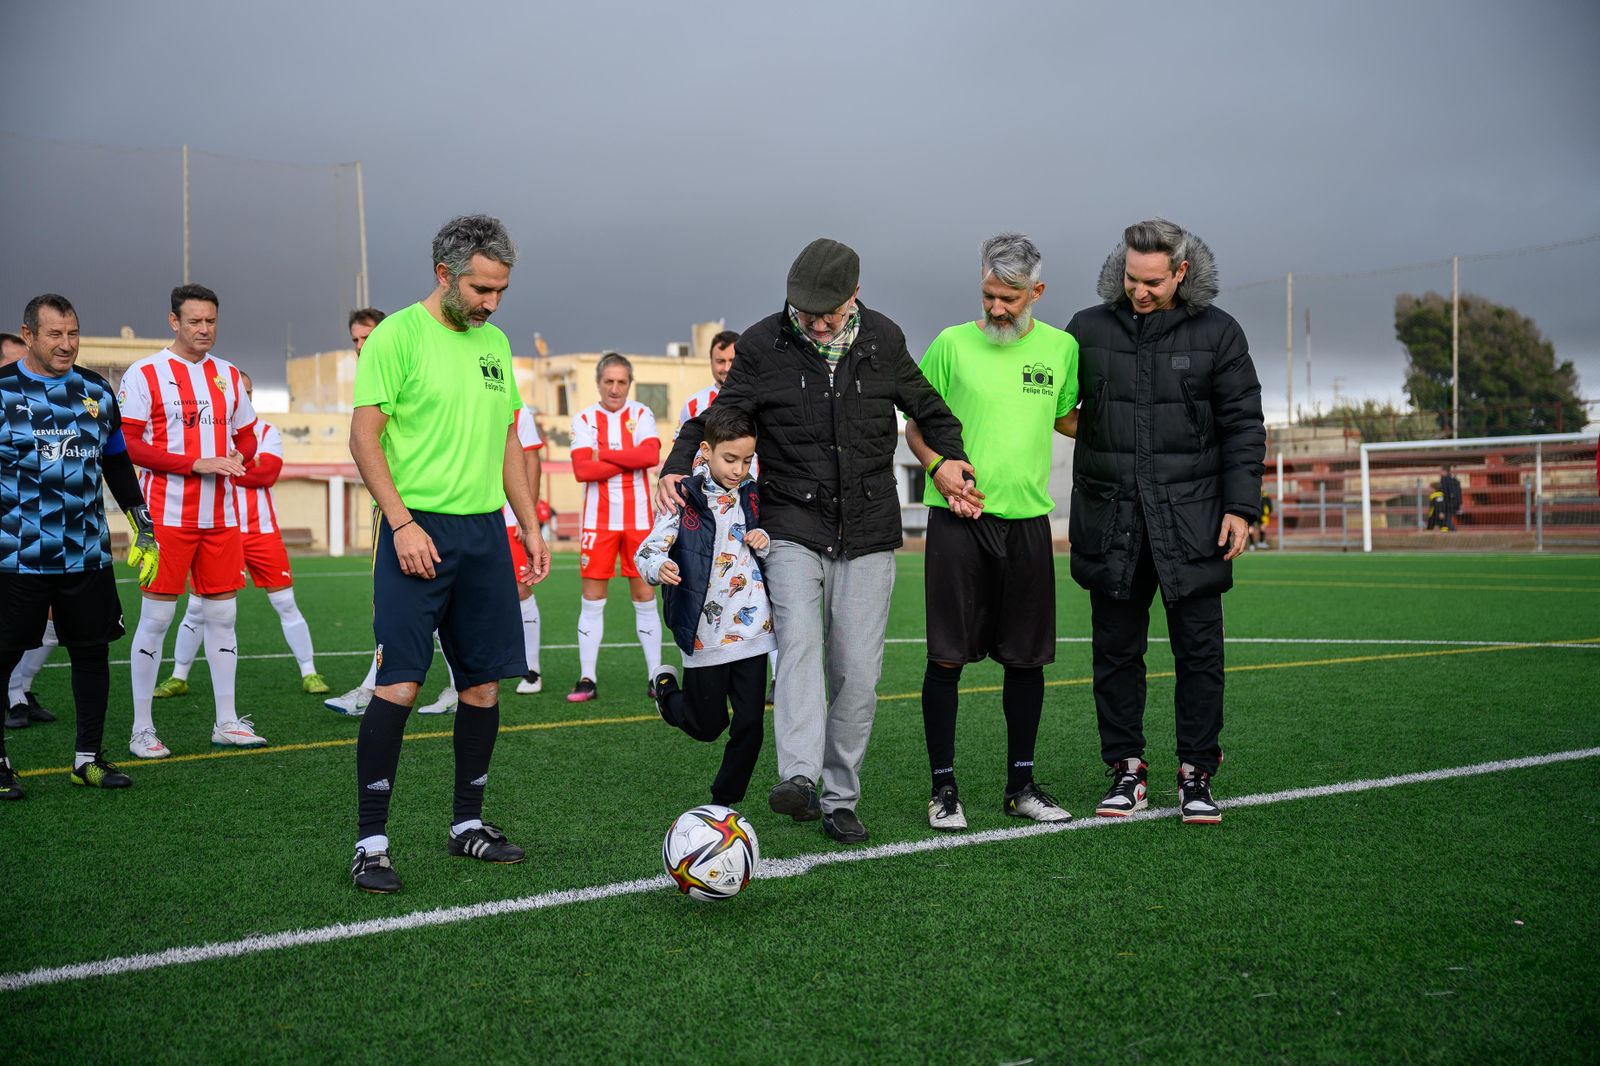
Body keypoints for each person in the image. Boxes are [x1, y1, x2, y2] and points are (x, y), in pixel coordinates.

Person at [657, 237, 974, 845]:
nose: (815, 323)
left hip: (870, 529)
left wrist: (950, 460)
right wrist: (676, 465)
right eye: (804, 312)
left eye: (826, 313)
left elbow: (931, 411)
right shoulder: (761, 344)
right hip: (790, 526)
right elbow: (714, 417)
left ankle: (839, 798)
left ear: (853, 295)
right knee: (799, 647)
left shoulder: (883, 337)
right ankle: (799, 778)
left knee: (856, 673)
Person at [346, 213, 550, 893]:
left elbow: (507, 441)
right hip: (416, 529)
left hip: (484, 534)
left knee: (483, 686)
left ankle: (468, 826)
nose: (492, 303)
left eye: (501, 291)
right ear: (445, 274)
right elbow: (364, 439)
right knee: (399, 685)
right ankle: (371, 842)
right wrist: (401, 523)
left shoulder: (495, 344)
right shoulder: (397, 336)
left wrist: (528, 525)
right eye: (481, 289)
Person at [1066, 219, 1265, 825]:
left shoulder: (1220, 332)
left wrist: (1240, 507)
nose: (1139, 291)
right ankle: (1126, 770)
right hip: (1112, 519)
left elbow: (1244, 426)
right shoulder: (1086, 329)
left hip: (1194, 522)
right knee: (1115, 654)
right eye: (1132, 278)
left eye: (1152, 281)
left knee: (1200, 655)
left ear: (1181, 272)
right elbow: (1051, 405)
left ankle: (1196, 771)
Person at [903, 233, 1078, 831]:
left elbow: (1068, 418)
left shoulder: (1061, 349)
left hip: (1027, 526)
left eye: (1010, 298)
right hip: (957, 525)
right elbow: (915, 427)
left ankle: (1021, 786)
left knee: (1026, 662)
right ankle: (943, 789)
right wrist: (937, 466)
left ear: (1037, 292)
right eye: (989, 296)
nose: (997, 308)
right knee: (946, 659)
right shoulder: (950, 345)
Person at [0, 294, 161, 799]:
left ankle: (87, 760)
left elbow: (116, 461)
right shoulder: (3, 391)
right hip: (17, 555)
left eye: (73, 334)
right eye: (55, 334)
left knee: (91, 654)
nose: (67, 344)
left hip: (86, 553)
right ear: (28, 335)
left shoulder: (95, 390)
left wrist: (143, 525)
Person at [121, 284, 265, 758]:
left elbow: (247, 435)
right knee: (157, 618)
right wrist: (194, 464)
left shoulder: (228, 374)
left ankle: (227, 722)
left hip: (221, 517)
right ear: (174, 321)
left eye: (211, 321)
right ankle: (142, 728)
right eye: (195, 321)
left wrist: (239, 457)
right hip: (166, 517)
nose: (204, 329)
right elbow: (128, 444)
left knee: (223, 616)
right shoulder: (146, 373)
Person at [152, 372, 329, 699]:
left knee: (285, 603)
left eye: (247, 392)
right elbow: (199, 468)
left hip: (261, 532)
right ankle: (178, 676)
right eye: (238, 392)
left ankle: (310, 672)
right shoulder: (205, 432)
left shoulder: (265, 431)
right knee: (197, 607)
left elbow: (269, 473)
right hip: (216, 529)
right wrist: (239, 466)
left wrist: (221, 469)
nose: (242, 397)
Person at [637, 405, 774, 807]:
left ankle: (722, 804)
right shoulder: (683, 498)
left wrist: (764, 538)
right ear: (706, 451)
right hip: (704, 633)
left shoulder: (753, 494)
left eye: (746, 460)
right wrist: (659, 566)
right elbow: (646, 552)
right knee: (706, 726)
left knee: (750, 724)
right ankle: (666, 691)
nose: (738, 469)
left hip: (751, 630)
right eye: (730, 459)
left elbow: (770, 538)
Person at [421, 401, 546, 711]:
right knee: (445, 594)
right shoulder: (453, 399)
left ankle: (531, 670)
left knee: (521, 589)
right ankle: (457, 684)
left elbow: (530, 461)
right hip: (458, 513)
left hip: (505, 518)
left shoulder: (517, 409)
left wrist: (526, 517)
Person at [677, 329, 778, 704]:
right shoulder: (694, 405)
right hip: (710, 514)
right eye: (719, 361)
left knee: (766, 589)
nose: (725, 368)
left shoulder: (760, 398)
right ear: (710, 362)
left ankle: (775, 677)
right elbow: (683, 451)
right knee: (716, 589)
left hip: (755, 505)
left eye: (732, 361)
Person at [567, 353, 664, 703]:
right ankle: (587, 679)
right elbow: (582, 470)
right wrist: (628, 458)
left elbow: (650, 456)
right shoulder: (584, 419)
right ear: (598, 383)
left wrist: (604, 455)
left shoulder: (642, 414)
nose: (615, 388)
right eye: (608, 381)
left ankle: (656, 677)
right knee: (593, 600)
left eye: (622, 381)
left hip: (640, 522)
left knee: (645, 598)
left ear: (629, 384)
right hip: (599, 522)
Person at [325, 309, 391, 717]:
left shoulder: (395, 370)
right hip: (395, 504)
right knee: (417, 605)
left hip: (406, 506)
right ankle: (460, 687)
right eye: (356, 339)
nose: (361, 346)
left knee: (392, 604)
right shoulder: (370, 376)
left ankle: (372, 689)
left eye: (368, 337)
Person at [1, 331, 59, 731]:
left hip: (39, 529)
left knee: (52, 621)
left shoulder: (43, 409)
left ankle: (19, 690)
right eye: (11, 364)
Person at [1439, 465, 1462, 531]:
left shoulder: (1444, 480)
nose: (1440, 472)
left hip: (1447, 503)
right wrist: (1459, 503)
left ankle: (1452, 531)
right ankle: (1451, 531)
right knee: (1447, 519)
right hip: (1454, 503)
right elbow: (1459, 493)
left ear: (1445, 471)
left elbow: (1444, 493)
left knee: (1446, 520)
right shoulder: (1455, 480)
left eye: (1441, 471)